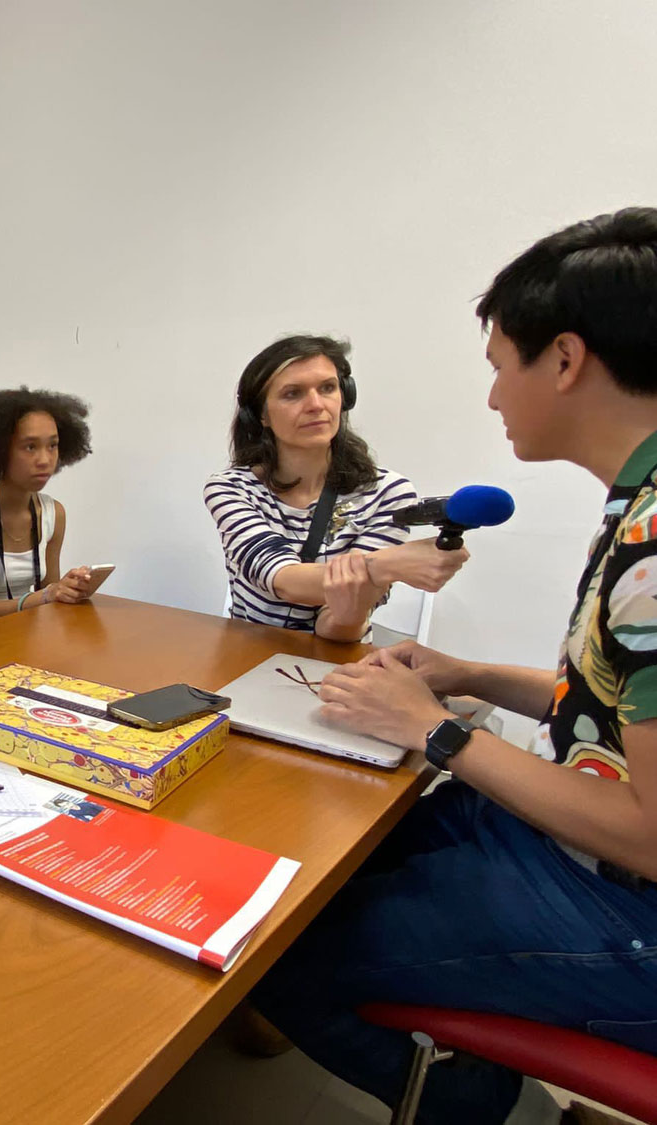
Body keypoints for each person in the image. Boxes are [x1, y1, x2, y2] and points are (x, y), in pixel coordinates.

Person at [250, 208, 657, 1125]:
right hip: (581, 841)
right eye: (293, 393)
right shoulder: (638, 506)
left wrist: (431, 731)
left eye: (496, 368)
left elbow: (649, 831)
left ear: (564, 359)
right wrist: (464, 674)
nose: (490, 400)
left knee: (274, 946)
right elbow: (608, 704)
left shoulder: (653, 551)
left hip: (621, 895)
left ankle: (464, 1100)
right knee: (321, 869)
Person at [204, 335, 469, 641]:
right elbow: (282, 577)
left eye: (327, 388)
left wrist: (353, 604)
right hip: (247, 653)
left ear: (346, 396)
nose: (316, 405)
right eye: (292, 394)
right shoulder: (231, 488)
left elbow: (336, 627)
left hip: (338, 657)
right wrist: (388, 565)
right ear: (261, 414)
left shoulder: (389, 492)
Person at [0, 387, 98, 632]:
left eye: (52, 445)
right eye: (30, 447)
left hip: (22, 627)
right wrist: (50, 595)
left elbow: (50, 597)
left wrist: (68, 589)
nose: (45, 459)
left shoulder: (54, 514)